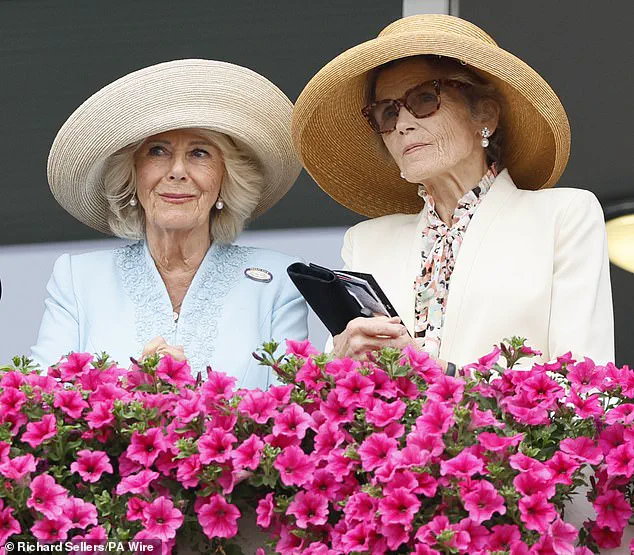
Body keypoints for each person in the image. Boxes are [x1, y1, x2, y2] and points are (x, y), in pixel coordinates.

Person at [291, 14, 614, 370]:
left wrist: (438, 374)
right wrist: (337, 363)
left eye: (424, 99)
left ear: (485, 116)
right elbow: (339, 390)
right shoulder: (366, 242)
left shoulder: (563, 217)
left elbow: (586, 386)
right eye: (387, 113)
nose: (403, 124)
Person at [31, 59, 308, 389]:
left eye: (199, 153)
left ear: (226, 178)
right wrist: (135, 390)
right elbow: (40, 397)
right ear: (132, 174)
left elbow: (293, 402)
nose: (177, 171)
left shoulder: (279, 280)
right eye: (157, 151)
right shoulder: (77, 280)